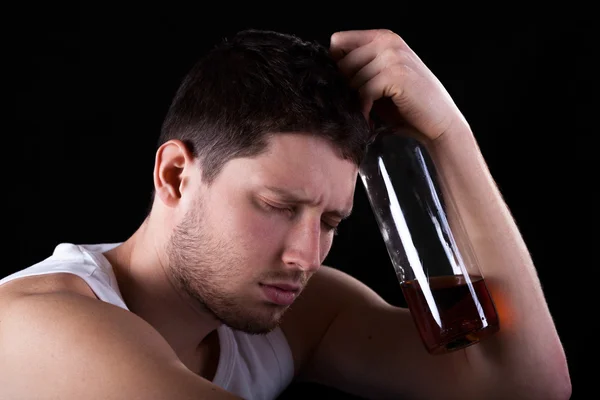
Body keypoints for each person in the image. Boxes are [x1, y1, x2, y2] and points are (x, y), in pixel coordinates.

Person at [0, 28, 571, 399]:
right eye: (277, 206)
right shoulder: (35, 325)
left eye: (330, 222)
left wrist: (450, 137)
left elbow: (529, 385)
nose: (305, 257)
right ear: (176, 176)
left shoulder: (296, 312)